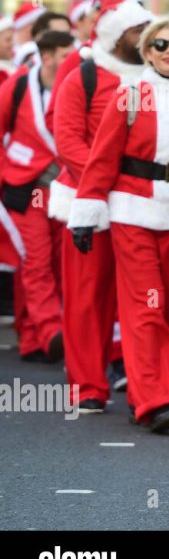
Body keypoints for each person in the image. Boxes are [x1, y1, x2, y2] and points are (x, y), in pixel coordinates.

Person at [67, 17, 169, 432]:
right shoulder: (129, 95)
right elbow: (102, 160)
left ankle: (152, 388)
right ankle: (156, 400)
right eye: (159, 44)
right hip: (133, 213)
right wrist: (85, 214)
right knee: (145, 306)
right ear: (147, 50)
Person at [53, 0, 153, 413]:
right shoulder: (84, 76)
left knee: (141, 299)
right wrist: (106, 179)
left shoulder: (158, 79)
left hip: (141, 206)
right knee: (86, 299)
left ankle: (143, 383)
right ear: (117, 35)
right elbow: (67, 140)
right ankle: (87, 386)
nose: (147, 39)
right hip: (86, 203)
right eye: (138, 31)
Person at [0, 30, 75, 363]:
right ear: (47, 57)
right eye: (64, 54)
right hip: (26, 188)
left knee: (59, 265)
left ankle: (33, 339)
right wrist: (5, 168)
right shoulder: (17, 86)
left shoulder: (74, 85)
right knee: (36, 261)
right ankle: (50, 330)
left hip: (60, 192)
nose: (70, 60)